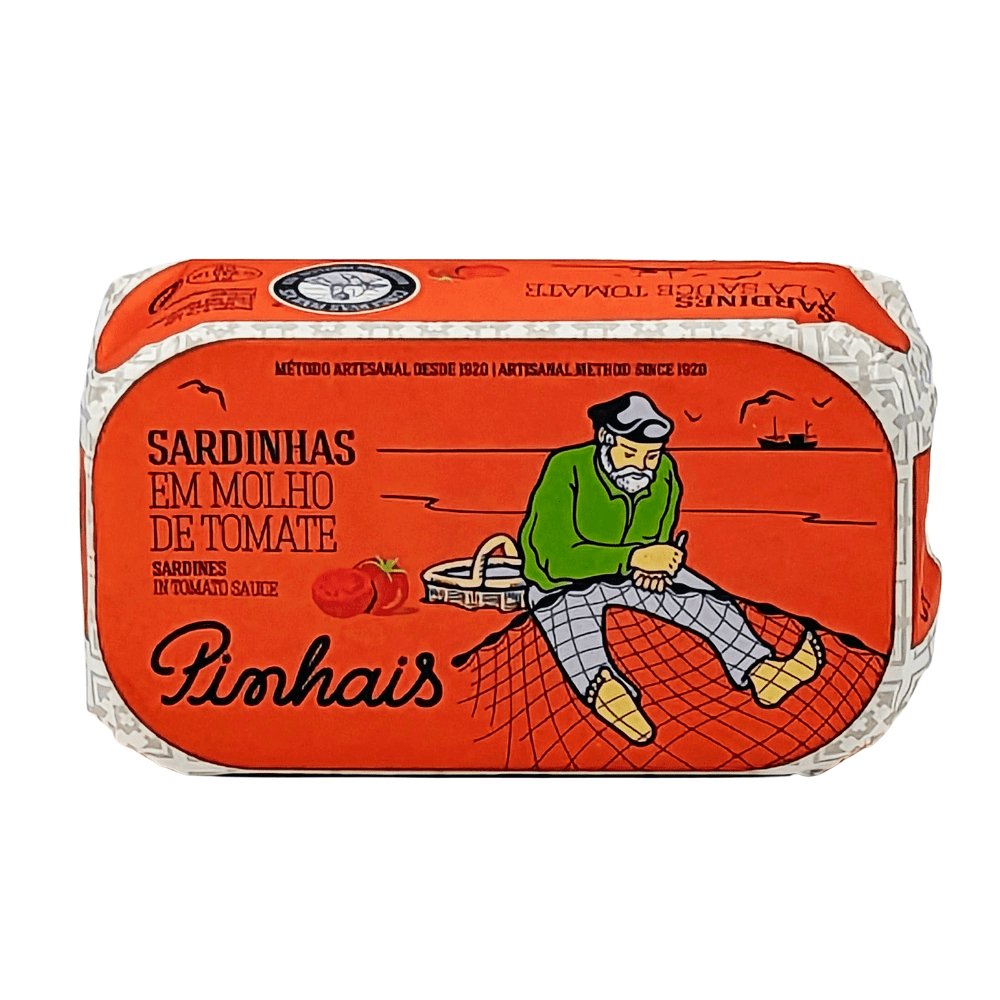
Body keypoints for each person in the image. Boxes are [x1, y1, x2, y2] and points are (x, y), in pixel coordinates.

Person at [518, 392, 823, 744]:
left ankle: (763, 673)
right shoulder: (566, 467)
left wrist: (660, 565)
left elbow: (659, 538)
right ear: (605, 438)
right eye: (630, 454)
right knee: (576, 629)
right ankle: (609, 695)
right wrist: (635, 558)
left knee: (709, 601)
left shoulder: (663, 472)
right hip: (560, 583)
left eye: (651, 455)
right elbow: (553, 556)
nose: (641, 466)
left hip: (631, 575)